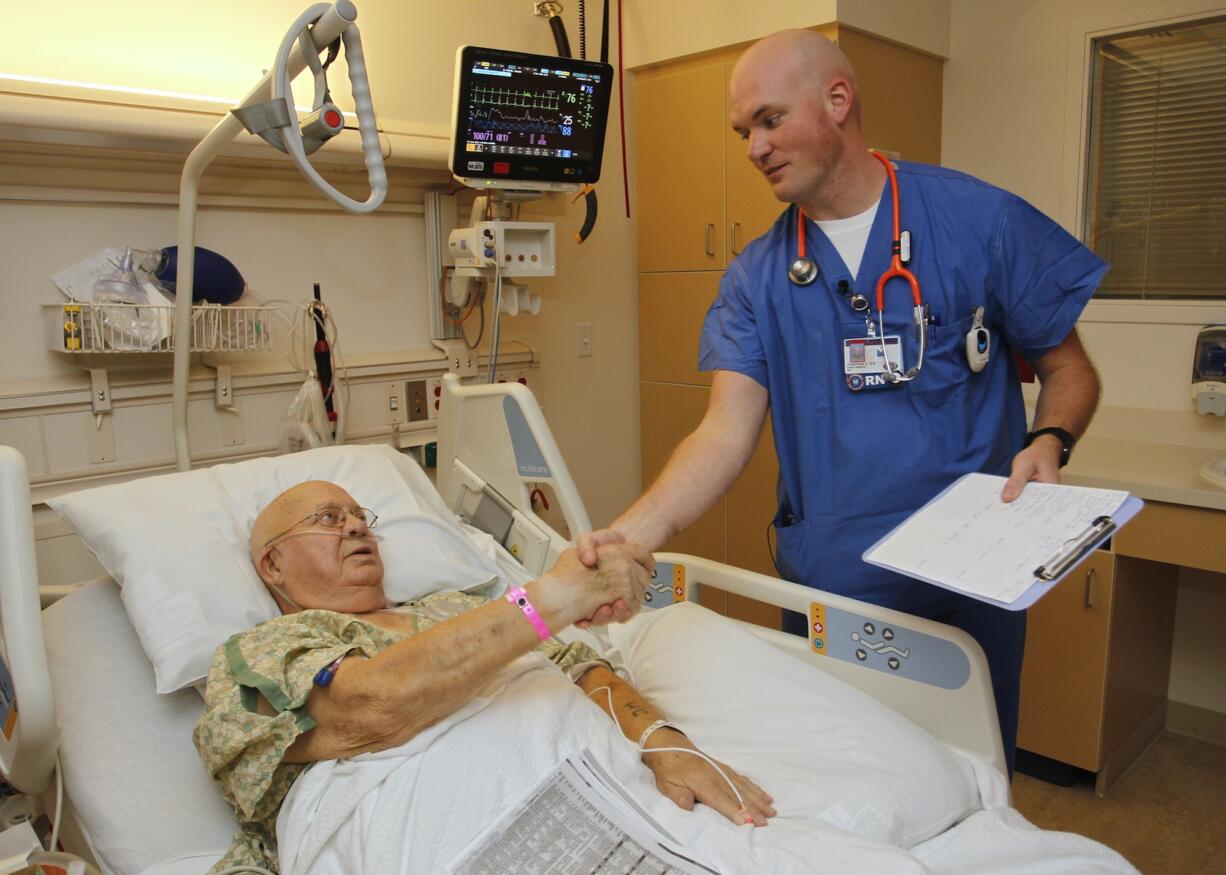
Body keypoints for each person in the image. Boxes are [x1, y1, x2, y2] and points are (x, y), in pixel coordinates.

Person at [578, 29, 1108, 777]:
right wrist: (629, 536)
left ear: (837, 101)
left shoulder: (978, 222)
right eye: (743, 133)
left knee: (975, 786)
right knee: (852, 782)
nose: (754, 148)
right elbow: (722, 434)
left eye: (768, 120)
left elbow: (1070, 367)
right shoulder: (757, 278)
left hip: (968, 583)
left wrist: (1049, 439)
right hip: (836, 586)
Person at [194, 480, 775, 874]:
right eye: (328, 519)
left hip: (600, 788)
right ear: (272, 564)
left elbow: (582, 669)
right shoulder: (263, 651)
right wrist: (555, 598)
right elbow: (372, 706)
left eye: (361, 518)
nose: (356, 529)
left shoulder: (453, 609)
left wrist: (664, 743)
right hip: (442, 824)